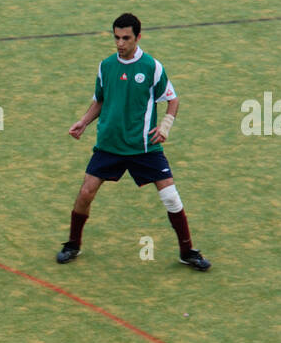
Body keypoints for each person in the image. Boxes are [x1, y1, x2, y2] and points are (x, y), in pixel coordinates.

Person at [57, 14, 211, 270]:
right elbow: (100, 99)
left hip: (144, 148)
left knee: (171, 198)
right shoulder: (106, 66)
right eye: (116, 37)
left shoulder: (152, 67)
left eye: (126, 38)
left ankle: (187, 251)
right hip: (109, 145)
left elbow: (172, 99)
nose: (120, 43)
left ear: (138, 37)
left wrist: (165, 126)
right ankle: (73, 244)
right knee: (85, 194)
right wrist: (83, 122)